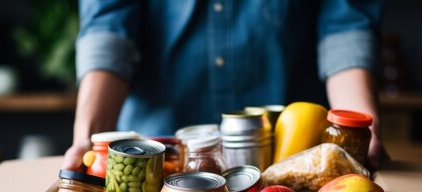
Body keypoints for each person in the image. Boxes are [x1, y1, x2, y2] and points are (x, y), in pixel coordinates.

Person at [62, 0, 389, 171]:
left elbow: (346, 26)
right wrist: (88, 139)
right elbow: (109, 29)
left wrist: (359, 130)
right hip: (157, 158)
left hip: (296, 162)